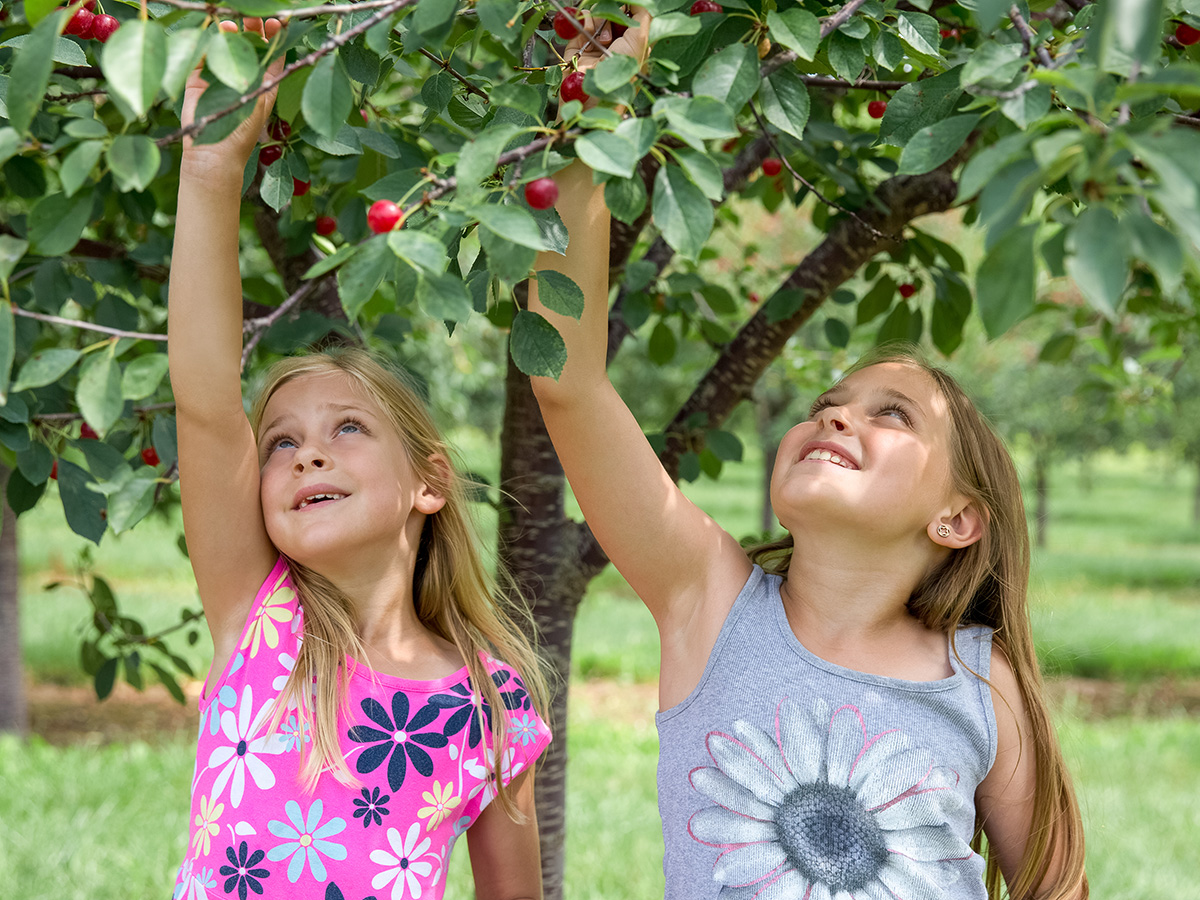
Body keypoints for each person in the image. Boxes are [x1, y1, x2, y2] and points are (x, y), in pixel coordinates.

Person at [527, 35, 1088, 900]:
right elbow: (566, 380)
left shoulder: (981, 681)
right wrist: (595, 106)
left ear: (957, 518)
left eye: (892, 415)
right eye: (830, 401)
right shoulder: (709, 603)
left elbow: (1055, 887)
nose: (835, 414)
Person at [167, 18, 550, 900]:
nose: (307, 455)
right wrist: (212, 170)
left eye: (347, 429)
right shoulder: (259, 619)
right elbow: (206, 400)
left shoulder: (492, 707)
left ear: (429, 481)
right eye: (282, 442)